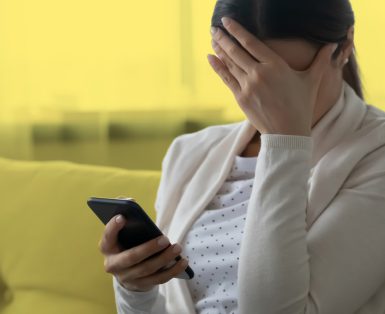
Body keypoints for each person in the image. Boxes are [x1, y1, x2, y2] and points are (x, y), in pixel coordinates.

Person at [98, 0, 385, 313]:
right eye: (252, 73)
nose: (271, 93)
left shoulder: (375, 153)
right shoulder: (190, 153)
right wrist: (136, 290)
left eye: (291, 77)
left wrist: (285, 140)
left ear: (344, 46)